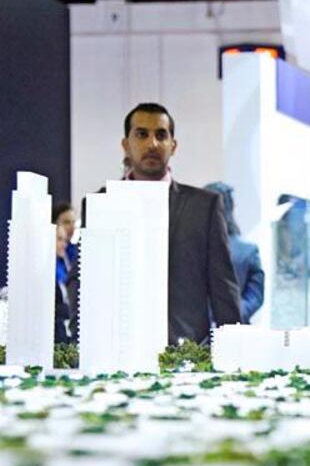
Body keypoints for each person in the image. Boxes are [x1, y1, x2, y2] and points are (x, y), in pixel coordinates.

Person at [81, 103, 241, 344]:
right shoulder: (100, 204)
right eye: (142, 134)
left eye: (161, 135)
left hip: (186, 353)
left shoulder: (204, 206)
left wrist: (235, 349)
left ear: (173, 146)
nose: (152, 144)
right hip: (114, 349)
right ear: (126, 144)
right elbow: (84, 280)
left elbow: (222, 286)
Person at [204, 181, 265, 323]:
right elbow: (255, 297)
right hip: (236, 331)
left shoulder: (247, 251)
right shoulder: (247, 251)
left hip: (199, 333)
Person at [52, 201, 78, 288]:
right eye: (67, 222)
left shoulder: (76, 251)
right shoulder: (51, 258)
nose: (72, 227)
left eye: (73, 222)